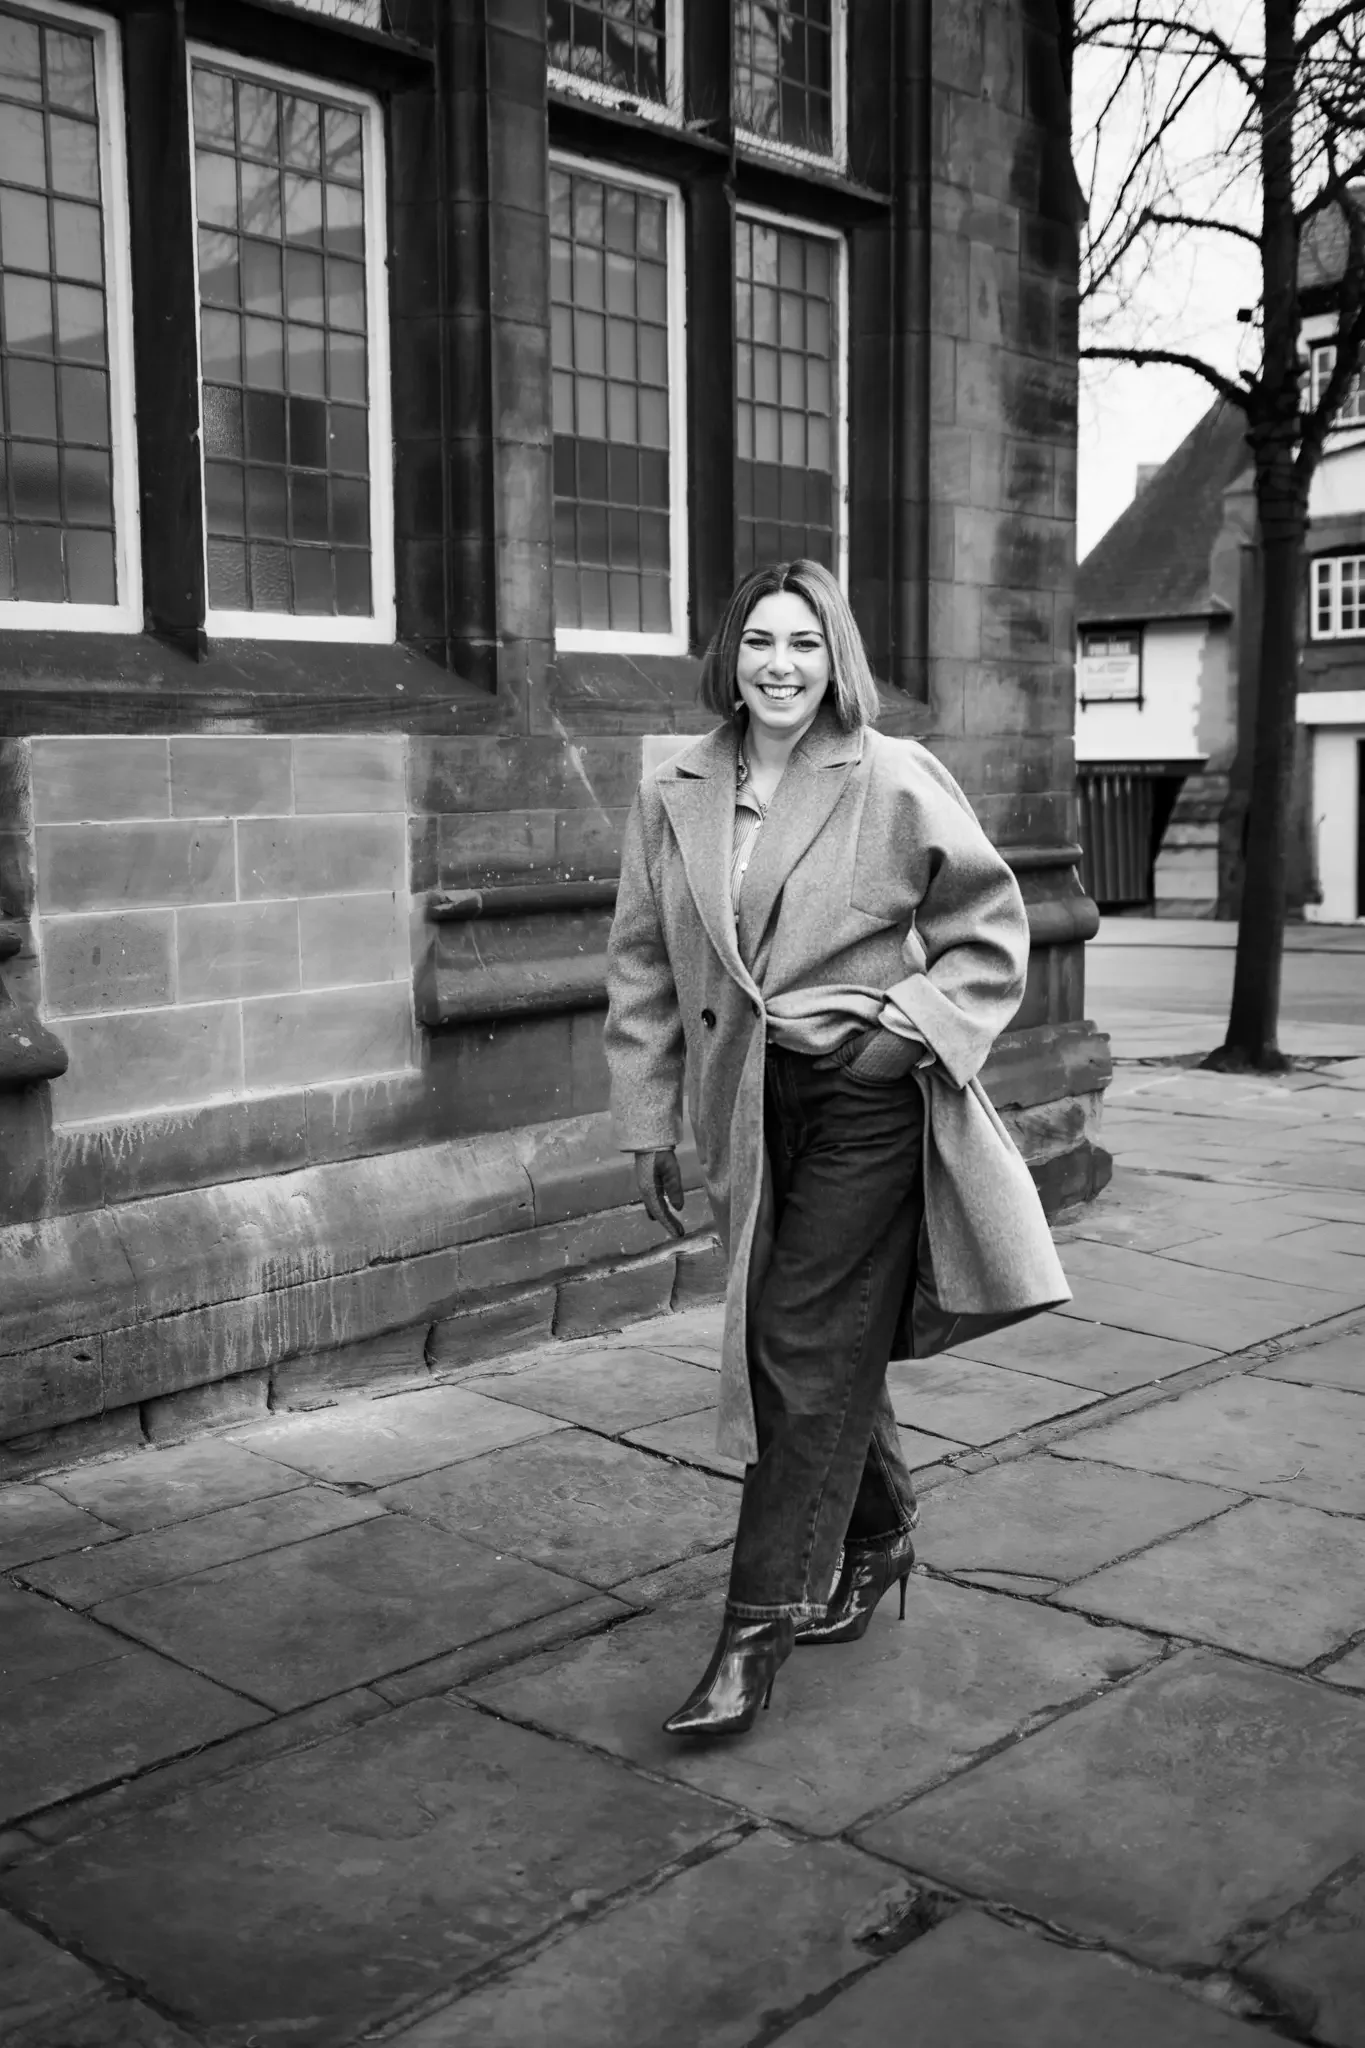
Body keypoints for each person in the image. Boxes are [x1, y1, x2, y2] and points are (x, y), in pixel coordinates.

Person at [604, 560, 1070, 1739]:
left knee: (794, 1346)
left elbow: (989, 926)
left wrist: (901, 1032)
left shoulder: (891, 772)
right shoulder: (674, 784)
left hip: (865, 1099)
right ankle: (880, 1530)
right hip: (746, 1111)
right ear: (730, 652)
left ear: (836, 655)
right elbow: (644, 964)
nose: (779, 664)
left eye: (804, 643)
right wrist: (649, 1120)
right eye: (759, 639)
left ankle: (754, 1627)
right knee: (805, 1336)